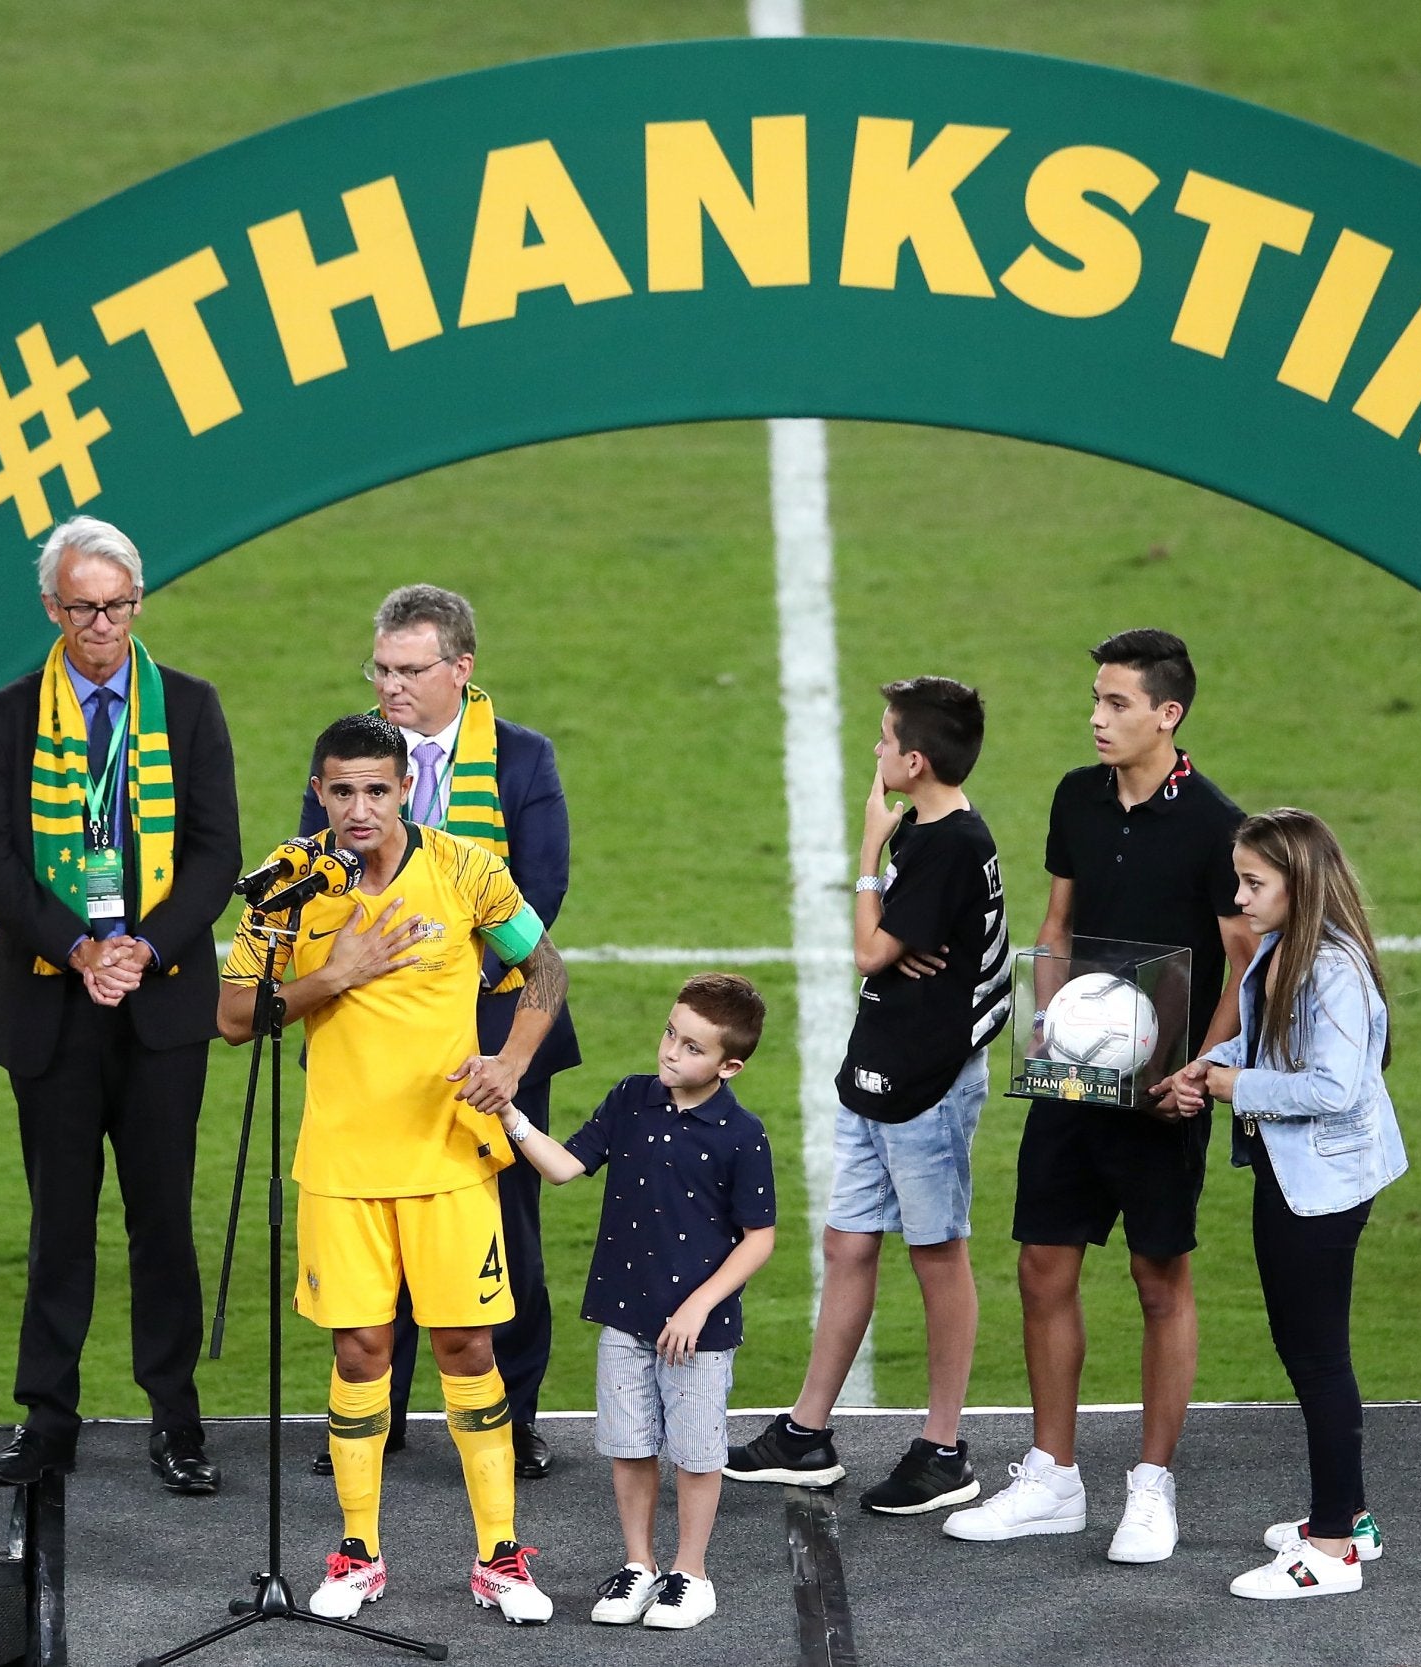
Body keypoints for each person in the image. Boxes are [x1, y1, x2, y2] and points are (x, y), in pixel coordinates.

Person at [224, 713, 571, 1627]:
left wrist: (512, 1062)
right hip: (340, 1167)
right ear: (320, 792)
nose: (360, 807)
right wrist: (335, 973)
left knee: (468, 1348)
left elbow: (544, 967)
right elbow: (231, 1015)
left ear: (406, 787)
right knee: (360, 1350)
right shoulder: (285, 883)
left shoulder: (467, 868)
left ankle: (499, 1556)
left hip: (451, 1161)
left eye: (377, 788)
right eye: (341, 790)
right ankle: (358, 1550)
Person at [945, 627, 1257, 1563]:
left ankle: (1152, 1489)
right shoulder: (1076, 797)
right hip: (1076, 1080)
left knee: (1160, 1281)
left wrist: (1197, 1075)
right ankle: (1053, 1475)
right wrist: (1049, 1036)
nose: (1097, 716)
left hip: (1166, 1094)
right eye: (1095, 698)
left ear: (1169, 713)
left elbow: (1242, 965)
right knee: (1043, 1268)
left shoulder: (1216, 824)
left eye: (1117, 702)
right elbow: (1058, 921)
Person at [0, 516, 242, 1495]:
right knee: (59, 1219)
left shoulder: (191, 708)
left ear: (137, 602)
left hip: (159, 1002)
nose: (102, 624)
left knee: (162, 1214)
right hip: (54, 1000)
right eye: (83, 607)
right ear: (52, 607)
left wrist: (143, 947)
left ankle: (176, 1418)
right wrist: (79, 947)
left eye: (118, 605)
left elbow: (216, 853)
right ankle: (48, 1417)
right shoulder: (2, 718)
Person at [299, 584, 578, 1481]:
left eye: (410, 669)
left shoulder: (523, 758)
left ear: (461, 669)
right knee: (379, 1223)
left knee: (507, 1234)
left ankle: (517, 1413)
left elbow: (539, 895)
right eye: (379, 667)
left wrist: (474, 1008)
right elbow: (318, 886)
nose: (390, 685)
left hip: (495, 1033)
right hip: (371, 1034)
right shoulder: (353, 764)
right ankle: (376, 1418)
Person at [727, 677, 1010, 1515]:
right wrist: (894, 929)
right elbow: (889, 950)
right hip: (879, 1072)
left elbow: (866, 950)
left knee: (937, 1253)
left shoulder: (951, 841)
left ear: (915, 760)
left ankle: (944, 1448)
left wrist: (866, 860)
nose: (876, 751)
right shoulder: (926, 831)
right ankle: (807, 1433)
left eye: (886, 740)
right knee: (848, 1244)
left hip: (927, 1084)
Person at [1161, 809, 1406, 1599]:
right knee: (1314, 1351)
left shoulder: (1329, 969)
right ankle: (1351, 1518)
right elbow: (1264, 1042)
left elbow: (1336, 1088)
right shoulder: (1282, 949)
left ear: (1299, 885)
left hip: (1319, 1190)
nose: (1239, 895)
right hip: (1299, 1176)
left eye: (1254, 882)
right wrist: (1206, 1065)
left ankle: (1332, 1548)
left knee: (1317, 1357)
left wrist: (1235, 1086)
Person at [498, 974, 777, 1632]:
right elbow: (565, 1166)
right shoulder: (630, 1098)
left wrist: (699, 1307)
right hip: (625, 1317)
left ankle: (691, 1572)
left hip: (696, 1333)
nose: (671, 1052)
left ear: (729, 1065)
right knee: (629, 1446)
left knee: (698, 1453)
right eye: (670, 1034)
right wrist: (510, 1116)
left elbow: (758, 1237)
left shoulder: (742, 1134)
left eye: (692, 1046)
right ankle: (639, 1564)